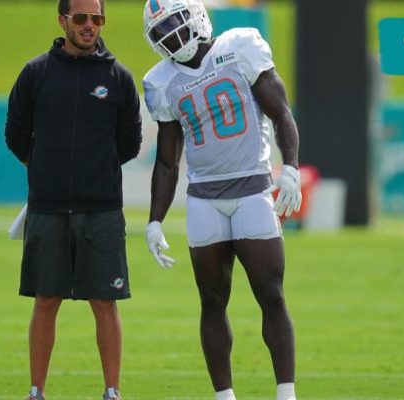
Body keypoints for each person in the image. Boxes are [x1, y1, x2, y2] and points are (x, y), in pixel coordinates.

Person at [141, 0, 301, 399]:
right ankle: (224, 396)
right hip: (204, 200)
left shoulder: (238, 47)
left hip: (252, 191)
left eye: (175, 25)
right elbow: (166, 161)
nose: (171, 37)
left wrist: (293, 167)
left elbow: (281, 112)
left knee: (271, 294)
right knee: (212, 302)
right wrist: (155, 220)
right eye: (160, 32)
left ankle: (286, 393)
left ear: (196, 15)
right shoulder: (162, 82)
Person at [5, 0, 142, 398]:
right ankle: (36, 391)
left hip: (101, 210)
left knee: (105, 301)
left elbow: (129, 143)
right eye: (80, 18)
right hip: (48, 209)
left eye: (96, 18)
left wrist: (92, 171)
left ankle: (112, 391)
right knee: (46, 300)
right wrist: (47, 169)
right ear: (62, 19)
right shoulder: (36, 73)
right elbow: (16, 134)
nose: (89, 25)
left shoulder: (118, 77)